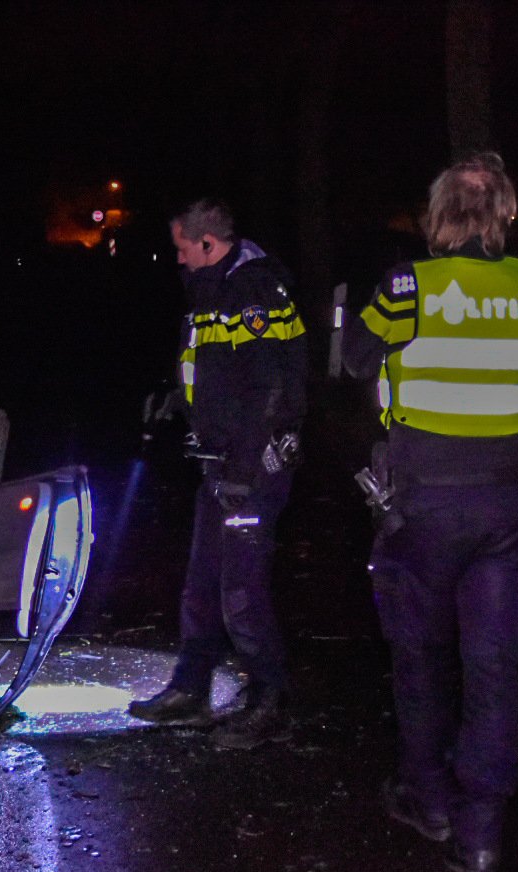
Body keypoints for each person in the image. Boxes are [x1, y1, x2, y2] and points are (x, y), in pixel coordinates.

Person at [341, 153, 518, 872]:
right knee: (493, 663)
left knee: (420, 654)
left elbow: (356, 361)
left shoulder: (407, 285)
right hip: (509, 503)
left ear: (438, 213)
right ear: (505, 214)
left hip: (422, 504)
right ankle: (482, 836)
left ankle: (428, 799)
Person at [128, 198, 308, 749]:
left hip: (248, 469)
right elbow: (211, 369)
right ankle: (190, 688)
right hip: (218, 463)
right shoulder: (212, 288)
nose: (177, 258)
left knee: (241, 592)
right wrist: (177, 403)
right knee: (202, 582)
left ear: (208, 242)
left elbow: (276, 389)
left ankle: (268, 702)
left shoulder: (251, 291)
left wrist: (249, 466)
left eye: (183, 247)